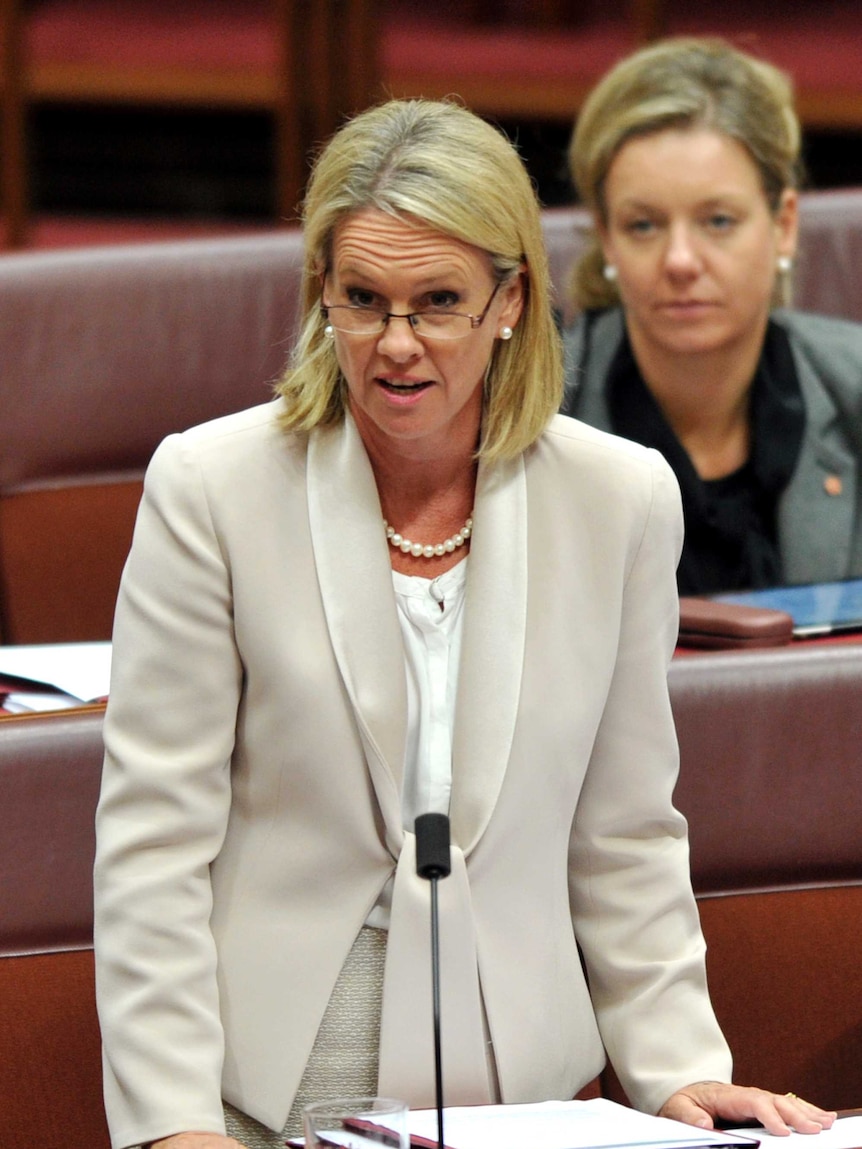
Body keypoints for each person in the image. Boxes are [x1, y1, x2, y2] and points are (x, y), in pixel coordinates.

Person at [93, 97, 835, 1149]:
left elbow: (624, 829)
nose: (395, 345)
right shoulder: (211, 487)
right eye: (362, 300)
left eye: (437, 301)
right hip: (266, 1076)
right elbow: (152, 845)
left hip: (521, 1075)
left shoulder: (618, 496)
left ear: (510, 300)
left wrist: (676, 1066)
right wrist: (172, 1125)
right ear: (323, 296)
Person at [561, 37, 862, 595]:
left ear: (785, 225)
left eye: (718, 221)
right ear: (606, 238)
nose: (679, 261)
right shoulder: (536, 418)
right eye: (643, 226)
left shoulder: (853, 390)